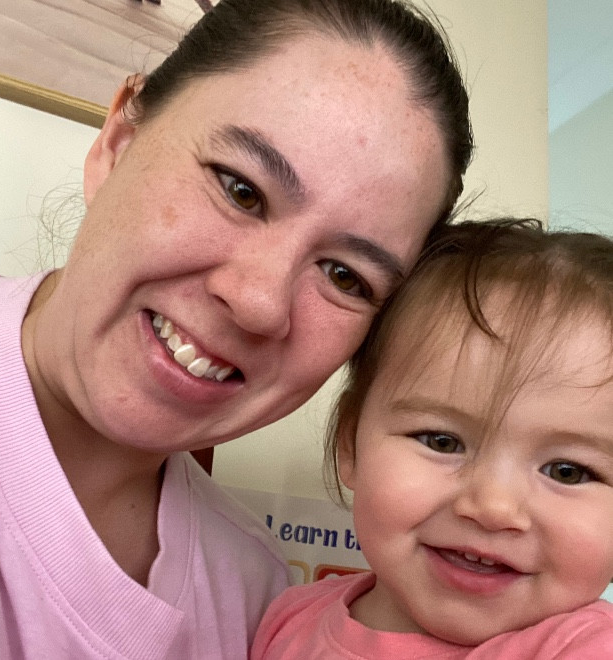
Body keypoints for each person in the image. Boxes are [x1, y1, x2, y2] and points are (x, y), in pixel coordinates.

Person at [0, 0, 473, 658]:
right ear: (119, 144)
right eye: (240, 189)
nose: (259, 302)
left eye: (345, 276)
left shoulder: (258, 602)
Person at [251, 218, 613, 659]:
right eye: (442, 441)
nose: (494, 508)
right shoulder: (288, 620)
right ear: (350, 443)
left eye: (568, 471)